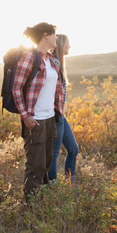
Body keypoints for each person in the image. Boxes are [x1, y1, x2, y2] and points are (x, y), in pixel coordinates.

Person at [12, 22, 64, 199]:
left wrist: (58, 112)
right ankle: (30, 209)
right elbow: (16, 88)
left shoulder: (51, 61)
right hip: (35, 120)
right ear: (46, 35)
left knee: (47, 164)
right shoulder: (29, 57)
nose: (57, 38)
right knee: (35, 166)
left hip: (49, 119)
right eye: (54, 34)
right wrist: (25, 116)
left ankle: (42, 202)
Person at [48, 34, 79, 182]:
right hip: (54, 114)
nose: (70, 46)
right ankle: (52, 191)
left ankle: (69, 185)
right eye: (68, 43)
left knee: (73, 149)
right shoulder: (53, 62)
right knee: (54, 154)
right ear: (61, 45)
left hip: (60, 114)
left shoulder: (58, 62)